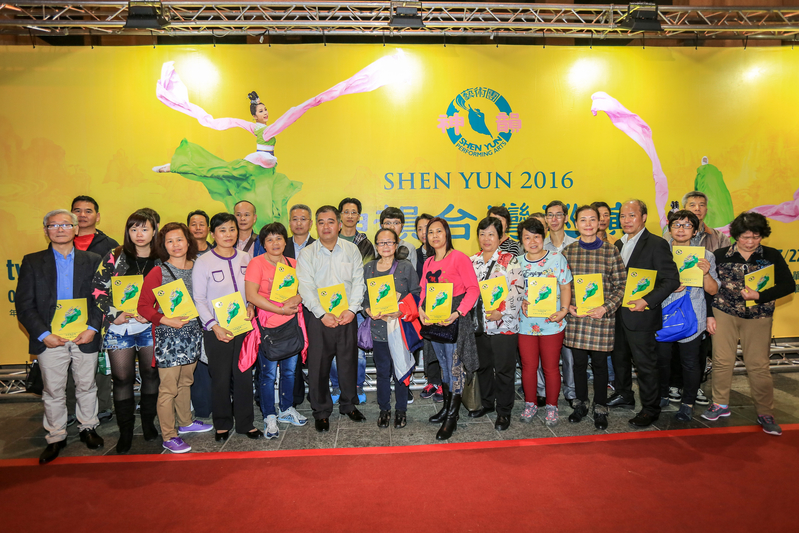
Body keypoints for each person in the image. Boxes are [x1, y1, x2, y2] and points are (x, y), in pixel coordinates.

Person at [16, 209, 104, 464]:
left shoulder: (93, 259)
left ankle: (88, 427)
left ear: (76, 229)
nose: (60, 229)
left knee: (87, 385)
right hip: (50, 338)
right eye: (53, 225)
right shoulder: (33, 261)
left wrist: (92, 329)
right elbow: (24, 305)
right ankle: (56, 436)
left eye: (66, 224)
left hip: (84, 335)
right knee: (53, 390)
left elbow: (101, 299)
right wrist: (44, 334)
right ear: (46, 231)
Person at [703, 212, 793, 436]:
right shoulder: (720, 255)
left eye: (756, 237)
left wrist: (760, 295)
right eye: (745, 237)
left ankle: (765, 412)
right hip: (724, 312)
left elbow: (788, 285)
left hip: (759, 316)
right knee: (722, 361)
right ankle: (720, 404)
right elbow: (710, 287)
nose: (751, 242)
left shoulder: (771, 255)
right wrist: (709, 315)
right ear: (736, 236)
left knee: (758, 365)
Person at [138, 223, 212, 453]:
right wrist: (165, 319)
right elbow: (143, 306)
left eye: (179, 239)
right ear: (163, 245)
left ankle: (186, 422)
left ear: (188, 241)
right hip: (169, 338)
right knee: (168, 388)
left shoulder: (198, 266)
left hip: (192, 334)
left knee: (185, 382)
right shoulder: (158, 272)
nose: (175, 245)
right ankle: (169, 435)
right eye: (169, 241)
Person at [92, 209, 162, 454]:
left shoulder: (162, 258)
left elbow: (172, 291)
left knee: (151, 375)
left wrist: (153, 312)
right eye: (134, 229)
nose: (139, 234)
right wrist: (114, 314)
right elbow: (98, 289)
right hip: (119, 328)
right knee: (122, 379)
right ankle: (125, 431)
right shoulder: (115, 255)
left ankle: (148, 424)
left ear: (154, 231)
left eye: (144, 229)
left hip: (150, 326)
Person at [608, 200, 680, 427]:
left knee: (645, 364)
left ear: (644, 217)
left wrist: (646, 300)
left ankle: (650, 408)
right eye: (622, 216)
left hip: (641, 315)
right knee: (619, 358)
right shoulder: (618, 244)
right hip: (617, 313)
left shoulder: (656, 244)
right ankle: (624, 394)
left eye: (632, 215)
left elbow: (671, 280)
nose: (626, 220)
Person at [192, 213, 264, 441]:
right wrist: (214, 326)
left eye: (232, 229)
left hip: (243, 326)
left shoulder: (246, 258)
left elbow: (253, 289)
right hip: (217, 330)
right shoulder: (203, 262)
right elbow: (199, 299)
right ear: (213, 234)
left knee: (243, 375)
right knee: (220, 377)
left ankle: (245, 423)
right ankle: (222, 423)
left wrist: (251, 305)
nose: (228, 234)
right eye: (222, 230)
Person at [296, 206, 367, 432]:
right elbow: (305, 287)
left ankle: (348, 404)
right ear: (315, 226)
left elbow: (359, 281)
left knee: (348, 362)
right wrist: (321, 313)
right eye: (321, 222)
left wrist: (352, 310)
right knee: (318, 365)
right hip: (319, 318)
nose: (326, 226)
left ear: (339, 224)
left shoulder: (351, 249)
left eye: (330, 221)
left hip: (347, 316)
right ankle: (321, 410)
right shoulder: (307, 253)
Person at [562, 205, 626, 430]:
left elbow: (621, 285)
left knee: (600, 365)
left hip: (601, 319)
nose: (588, 224)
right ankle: (580, 403)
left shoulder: (610, 251)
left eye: (592, 219)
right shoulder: (568, 252)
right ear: (575, 224)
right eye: (583, 220)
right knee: (578, 364)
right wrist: (568, 306)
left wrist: (606, 308)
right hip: (577, 318)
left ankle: (600, 406)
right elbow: (562, 285)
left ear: (599, 222)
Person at [244, 222, 308, 439]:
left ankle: (286, 409)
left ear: (284, 240)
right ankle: (269, 415)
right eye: (269, 239)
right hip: (268, 326)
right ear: (263, 244)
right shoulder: (256, 263)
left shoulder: (293, 263)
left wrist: (297, 298)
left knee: (290, 371)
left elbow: (305, 289)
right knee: (268, 374)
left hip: (291, 324)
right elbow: (251, 295)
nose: (275, 243)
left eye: (279, 238)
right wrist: (279, 309)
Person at [419, 217, 480, 440]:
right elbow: (423, 290)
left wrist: (458, 312)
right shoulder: (428, 262)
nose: (434, 236)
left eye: (439, 231)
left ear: (447, 233)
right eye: (430, 232)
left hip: (455, 318)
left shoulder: (459, 258)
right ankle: (446, 408)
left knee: (455, 367)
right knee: (444, 365)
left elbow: (473, 289)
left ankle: (452, 418)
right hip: (434, 318)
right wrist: (420, 309)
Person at [657, 211, 719, 422]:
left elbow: (713, 290)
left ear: (695, 230)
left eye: (686, 225)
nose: (681, 229)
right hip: (662, 314)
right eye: (676, 225)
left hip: (692, 316)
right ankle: (662, 394)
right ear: (669, 228)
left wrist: (706, 273)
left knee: (690, 362)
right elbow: (648, 283)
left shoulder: (706, 256)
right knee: (662, 360)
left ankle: (688, 403)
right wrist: (667, 287)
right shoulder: (659, 252)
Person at [66, 195, 118, 425]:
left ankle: (103, 406)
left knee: (99, 359)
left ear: (97, 216)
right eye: (77, 210)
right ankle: (70, 409)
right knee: (68, 361)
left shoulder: (110, 245)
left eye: (88, 211)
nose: (82, 215)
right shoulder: (61, 239)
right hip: (68, 310)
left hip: (99, 309)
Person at [363, 228, 421, 429]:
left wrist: (402, 309)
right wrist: (368, 309)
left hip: (400, 328)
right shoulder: (369, 268)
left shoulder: (406, 267)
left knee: (401, 371)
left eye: (389, 242)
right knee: (382, 372)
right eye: (381, 242)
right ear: (376, 246)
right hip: (379, 329)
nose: (385, 246)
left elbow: (416, 294)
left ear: (396, 245)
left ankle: (401, 410)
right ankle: (384, 409)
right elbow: (363, 297)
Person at [469, 217, 524, 431]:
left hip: (504, 325)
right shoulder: (472, 261)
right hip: (479, 325)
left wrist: (502, 311)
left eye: (491, 234)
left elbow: (518, 290)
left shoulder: (510, 260)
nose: (486, 238)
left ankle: (504, 411)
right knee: (483, 367)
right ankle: (486, 403)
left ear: (500, 237)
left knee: (503, 370)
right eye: (482, 234)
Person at [516, 217, 572, 426]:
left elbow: (565, 286)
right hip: (525, 324)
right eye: (527, 238)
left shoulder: (557, 258)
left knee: (551, 368)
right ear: (521, 240)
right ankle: (530, 403)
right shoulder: (517, 263)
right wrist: (520, 300)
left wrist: (563, 311)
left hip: (552, 322)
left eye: (536, 237)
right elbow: (513, 291)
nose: (532, 242)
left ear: (543, 237)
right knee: (529, 367)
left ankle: (552, 406)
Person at [331, 198, 375, 405]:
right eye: (346, 211)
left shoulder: (365, 244)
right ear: (340, 215)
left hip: (356, 306)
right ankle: (336, 385)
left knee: (357, 350)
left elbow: (366, 275)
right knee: (333, 350)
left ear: (359, 216)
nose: (350, 215)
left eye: (353, 212)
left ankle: (357, 385)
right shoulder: (330, 239)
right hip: (332, 305)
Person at [540, 200, 578, 408]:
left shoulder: (576, 244)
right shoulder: (539, 244)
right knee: (543, 356)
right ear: (545, 219)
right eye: (550, 215)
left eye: (558, 215)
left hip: (570, 308)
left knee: (569, 353)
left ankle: (571, 392)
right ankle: (542, 391)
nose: (554, 219)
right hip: (543, 309)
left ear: (566, 218)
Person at [284, 203, 315, 408]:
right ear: (289, 223)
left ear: (310, 223)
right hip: (287, 308)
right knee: (291, 351)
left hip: (313, 308)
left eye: (303, 219)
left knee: (315, 352)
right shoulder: (280, 245)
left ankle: (316, 392)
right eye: (295, 219)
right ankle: (294, 396)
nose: (299, 223)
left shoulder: (319, 246)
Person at [186, 209, 214, 417]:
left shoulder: (217, 253)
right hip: (187, 317)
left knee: (212, 360)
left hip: (214, 316)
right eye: (193, 224)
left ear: (209, 229)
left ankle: (217, 402)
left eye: (201, 224)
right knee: (196, 365)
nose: (197, 228)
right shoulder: (181, 253)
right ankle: (201, 406)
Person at [414, 213, 441, 402]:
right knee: (429, 345)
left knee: (444, 345)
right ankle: (432, 381)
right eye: (420, 229)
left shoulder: (444, 254)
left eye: (429, 229)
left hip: (442, 305)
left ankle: (444, 383)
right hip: (421, 307)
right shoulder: (414, 254)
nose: (425, 233)